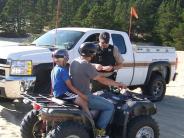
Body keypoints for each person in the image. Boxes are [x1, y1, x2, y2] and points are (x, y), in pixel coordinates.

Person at [70, 42, 126, 138]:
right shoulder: (86, 65)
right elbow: (102, 80)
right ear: (91, 54)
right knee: (110, 106)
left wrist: (95, 65)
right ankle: (99, 132)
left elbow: (85, 65)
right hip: (86, 96)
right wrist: (118, 84)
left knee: (100, 96)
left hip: (75, 94)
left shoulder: (74, 61)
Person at [51, 49, 91, 116]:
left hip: (57, 93)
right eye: (66, 59)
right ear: (63, 58)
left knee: (79, 98)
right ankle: (90, 121)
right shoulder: (62, 70)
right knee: (84, 102)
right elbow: (70, 87)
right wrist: (83, 96)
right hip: (63, 94)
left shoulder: (54, 69)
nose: (67, 61)